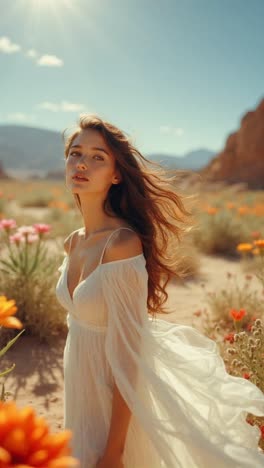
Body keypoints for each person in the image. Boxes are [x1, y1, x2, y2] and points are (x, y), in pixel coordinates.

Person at [56, 114, 264, 468]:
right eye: (76, 153)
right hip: (81, 396)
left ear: (116, 174)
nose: (82, 163)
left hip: (119, 412)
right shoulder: (72, 242)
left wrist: (114, 452)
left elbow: (128, 357)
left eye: (98, 157)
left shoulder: (122, 244)